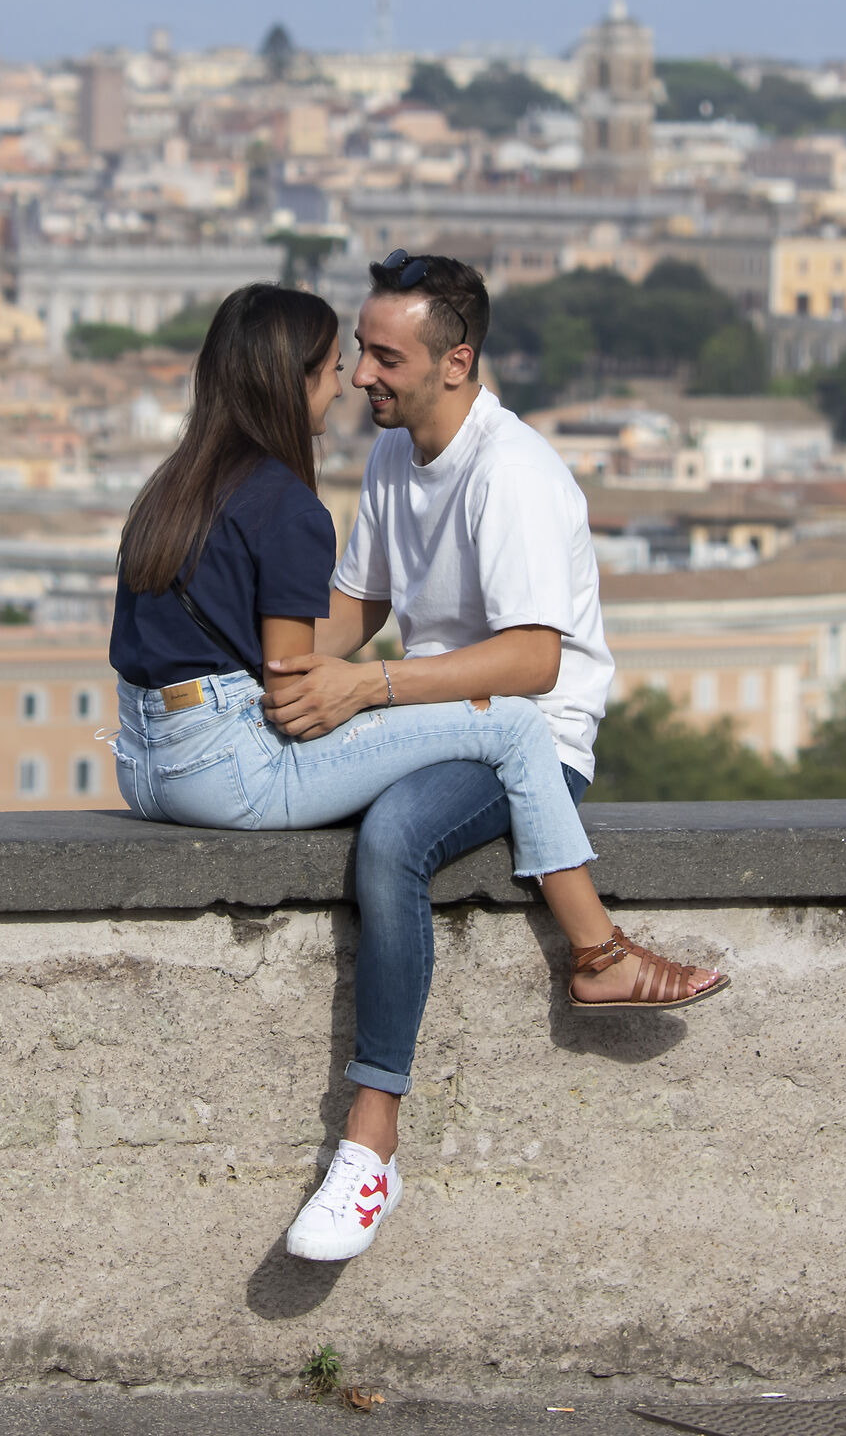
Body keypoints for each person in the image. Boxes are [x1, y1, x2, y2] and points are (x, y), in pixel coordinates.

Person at [109, 278, 724, 1265]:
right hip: (435, 716)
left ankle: (372, 1138)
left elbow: (533, 666)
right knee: (393, 796)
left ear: (456, 361)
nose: (361, 377)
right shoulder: (395, 455)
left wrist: (366, 690)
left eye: (385, 358)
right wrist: (311, 679)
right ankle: (599, 949)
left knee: (397, 834)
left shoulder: (511, 476)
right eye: (355, 352)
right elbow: (350, 606)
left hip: (529, 741)